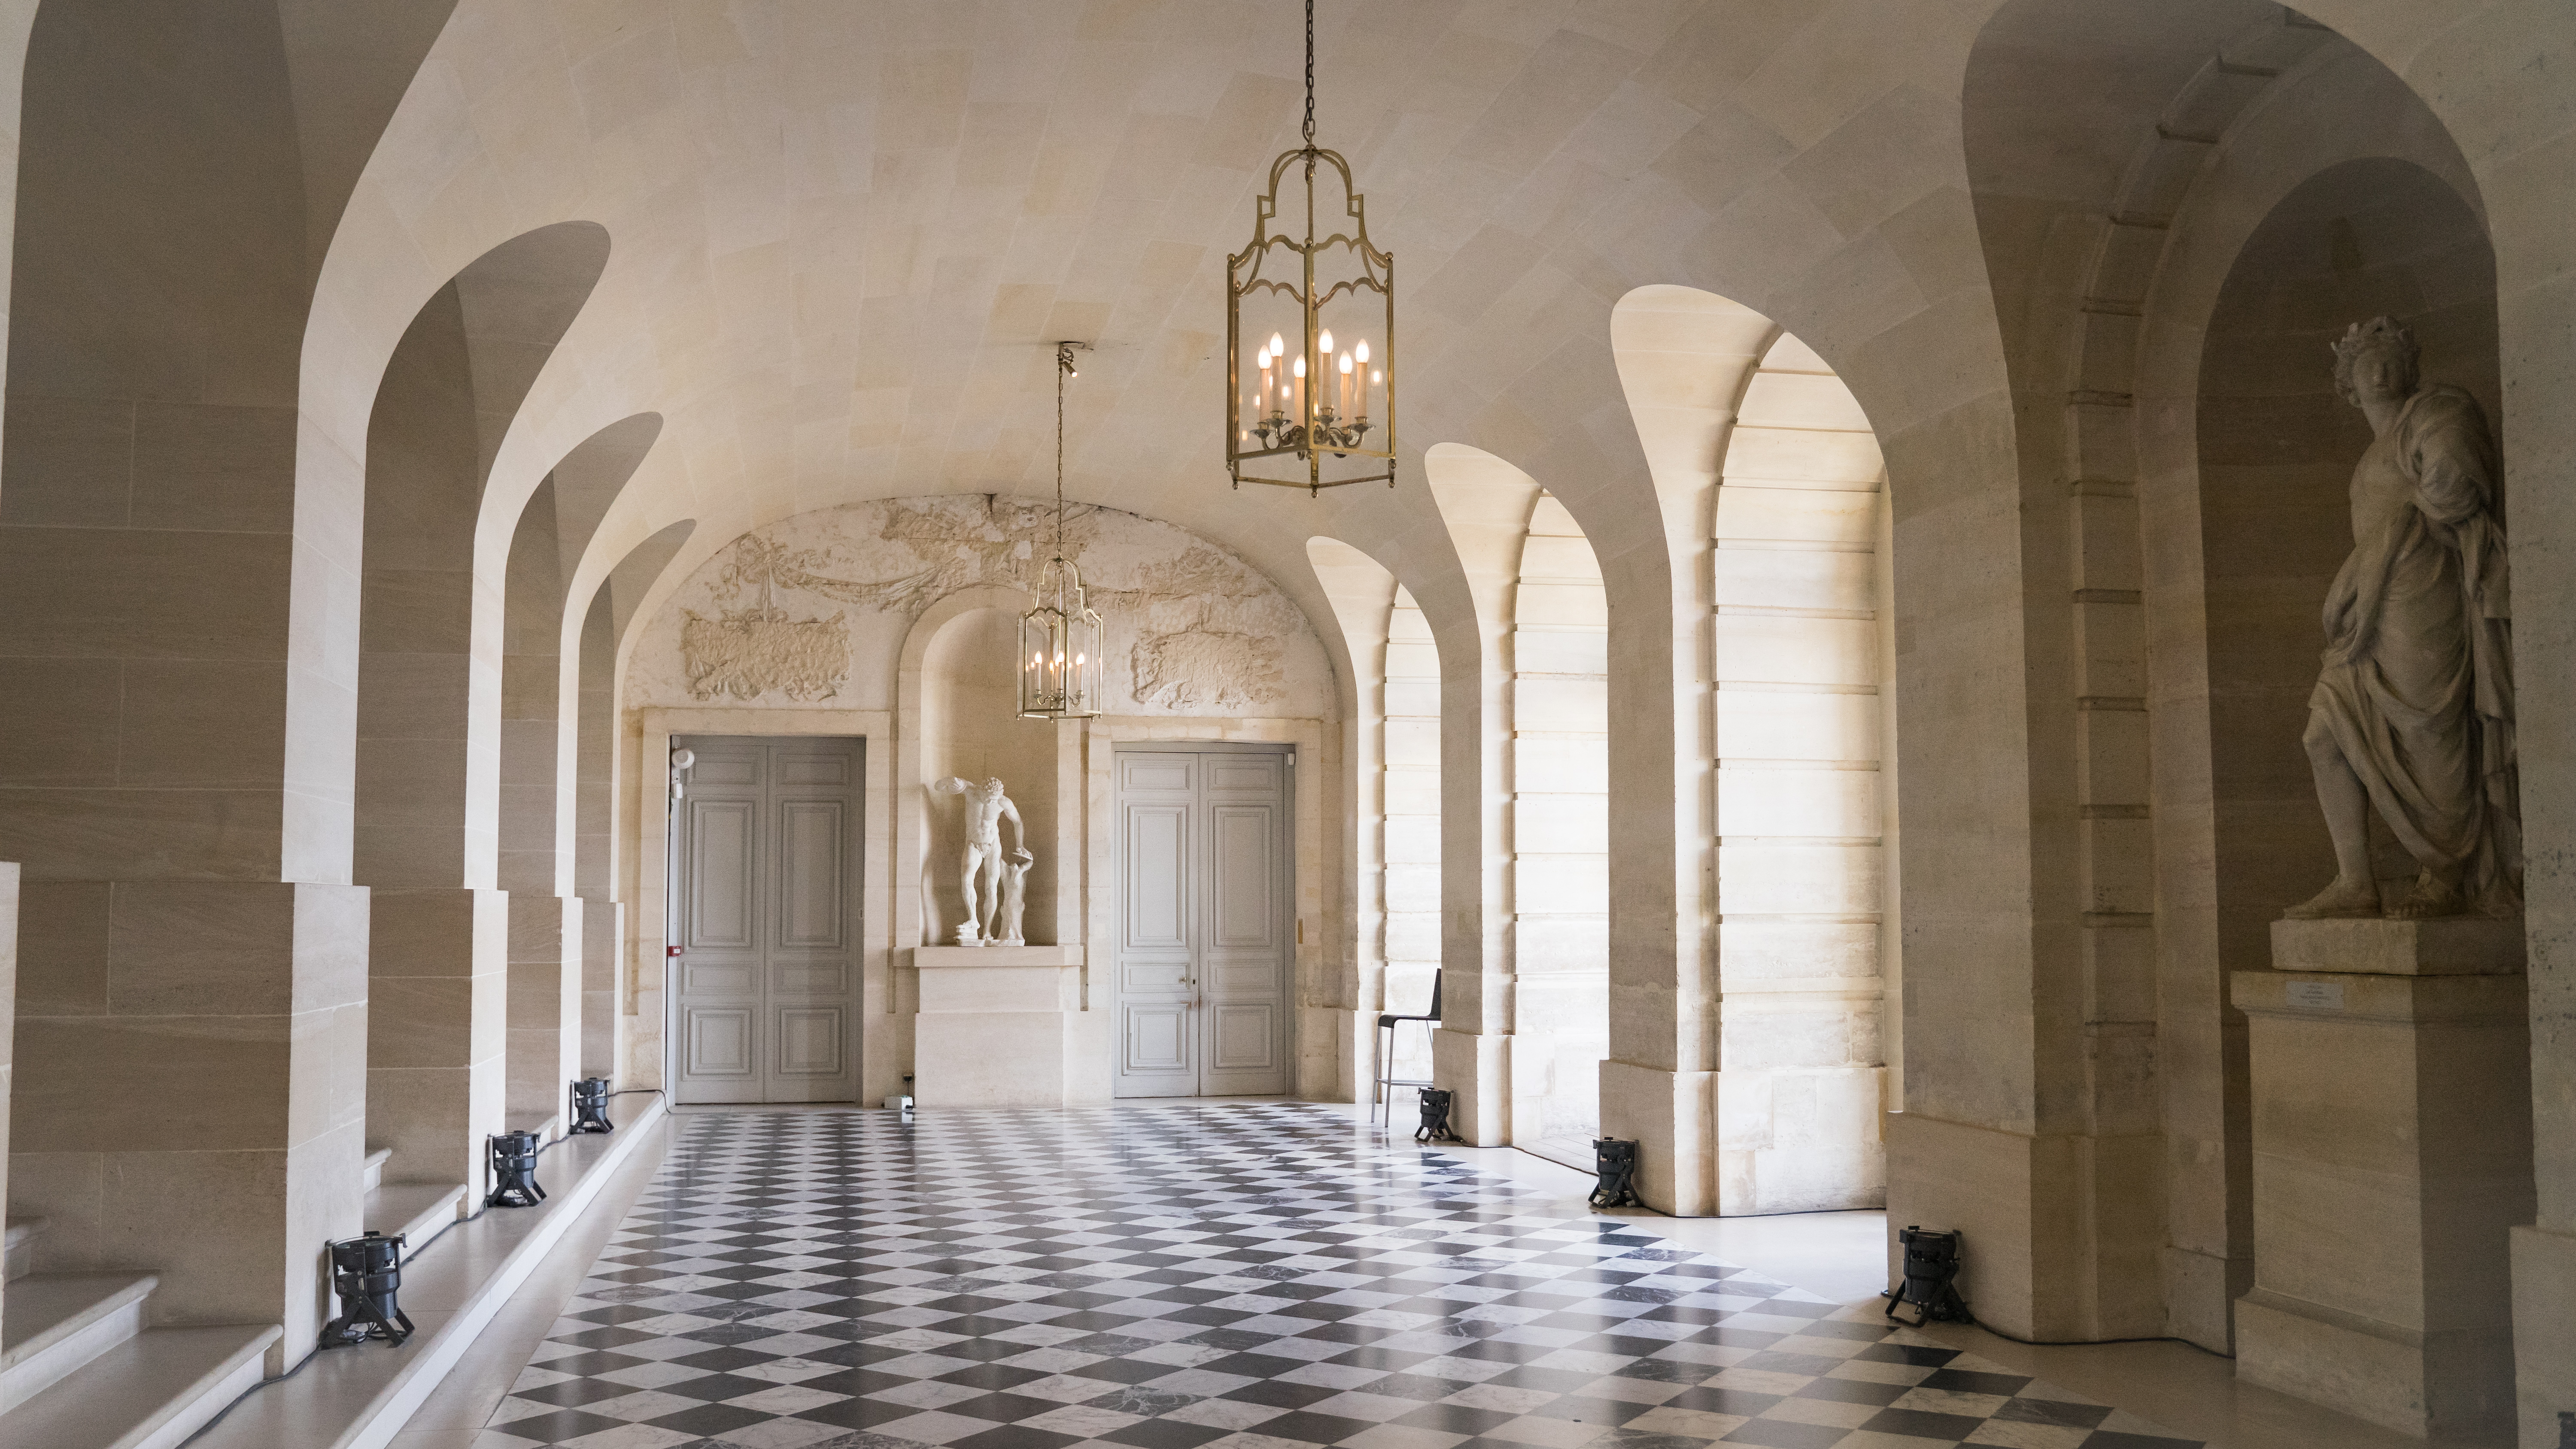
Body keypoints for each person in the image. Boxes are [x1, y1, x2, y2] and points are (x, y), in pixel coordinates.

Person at [2284, 317, 2518, 920]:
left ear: (2411, 369)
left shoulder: (2438, 410)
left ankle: (2445, 871)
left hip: (2426, 591)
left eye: (2391, 358)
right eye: (2367, 363)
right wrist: (2361, 577)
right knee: (2322, 733)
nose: (2381, 369)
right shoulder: (2368, 457)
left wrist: (2376, 553)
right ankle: (2356, 881)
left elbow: (2456, 484)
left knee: (2429, 730)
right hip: (2372, 606)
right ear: (2349, 386)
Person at [930, 776, 1027, 942]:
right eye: (989, 799)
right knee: (967, 879)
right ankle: (973, 920)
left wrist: (1021, 845)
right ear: (982, 792)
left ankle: (987, 931)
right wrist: (949, 780)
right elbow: (938, 787)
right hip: (974, 844)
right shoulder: (970, 791)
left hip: (993, 845)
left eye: (994, 800)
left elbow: (1018, 822)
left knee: (992, 887)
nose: (991, 803)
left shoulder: (1004, 802)